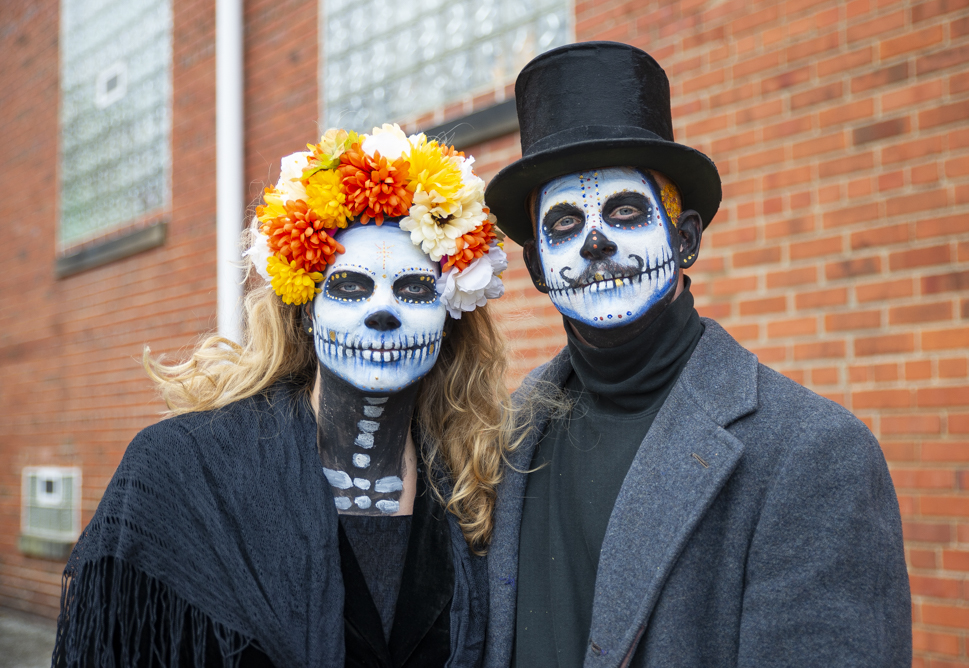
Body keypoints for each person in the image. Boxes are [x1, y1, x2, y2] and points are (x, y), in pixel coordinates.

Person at [482, 41, 911, 667]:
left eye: (626, 212)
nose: (595, 243)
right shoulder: (501, 443)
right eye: (565, 225)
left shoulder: (815, 454)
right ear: (539, 269)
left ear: (684, 239)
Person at [53, 123, 511, 667]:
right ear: (307, 314)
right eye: (349, 287)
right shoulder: (182, 472)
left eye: (413, 288)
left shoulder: (479, 487)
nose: (382, 311)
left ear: (448, 316)